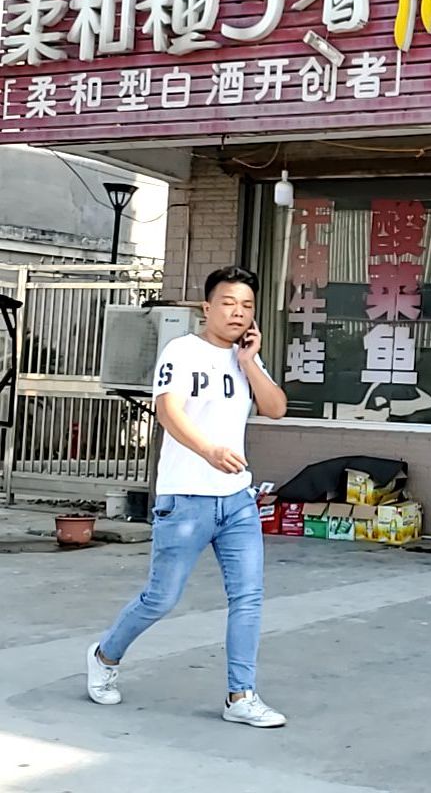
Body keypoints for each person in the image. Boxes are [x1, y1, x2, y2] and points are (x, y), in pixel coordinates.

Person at [86, 265, 289, 727]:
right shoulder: (182, 350)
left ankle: (241, 697)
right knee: (161, 598)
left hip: (237, 501)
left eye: (247, 306)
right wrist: (209, 450)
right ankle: (104, 655)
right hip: (186, 501)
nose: (238, 313)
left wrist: (250, 362)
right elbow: (168, 411)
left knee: (249, 597)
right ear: (207, 307)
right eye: (228, 303)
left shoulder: (246, 358)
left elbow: (276, 408)